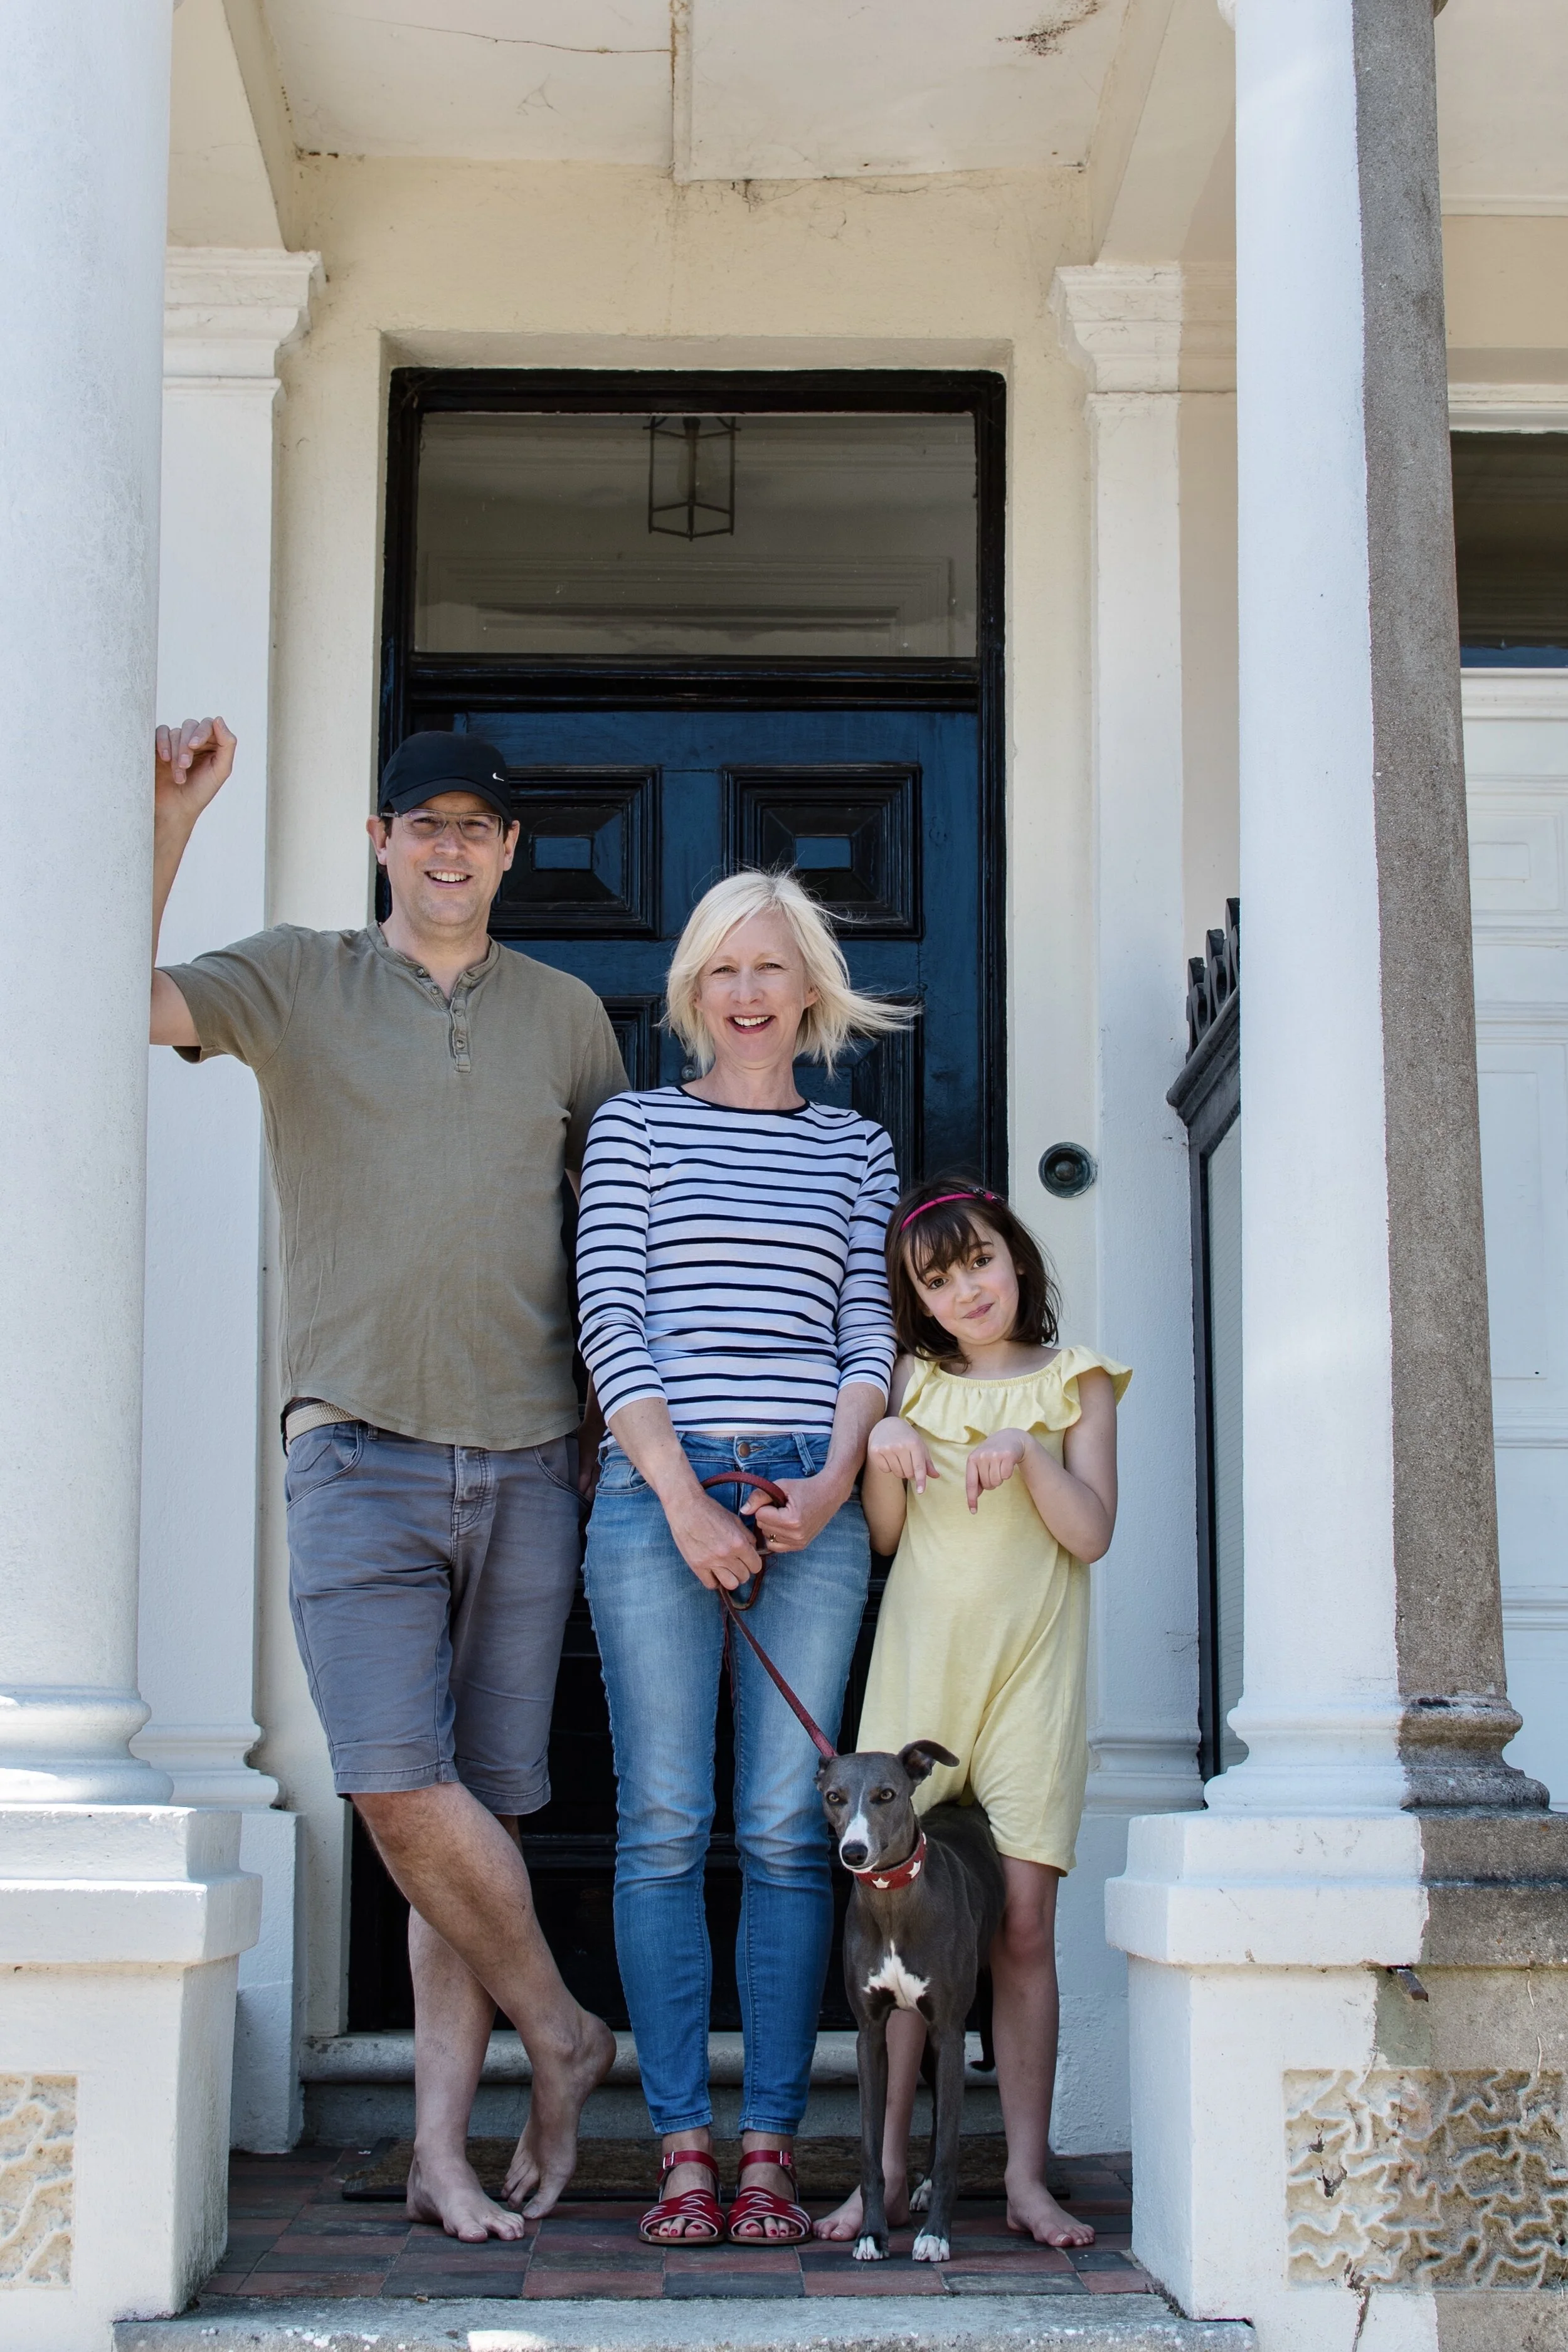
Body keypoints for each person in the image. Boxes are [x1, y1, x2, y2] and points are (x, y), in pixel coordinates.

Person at [149, 718, 627, 2241]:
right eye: (422, 822)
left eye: (476, 827)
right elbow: (111, 996)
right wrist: (169, 819)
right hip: (355, 1445)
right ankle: (562, 2030)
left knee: (475, 1815)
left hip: (532, 1454)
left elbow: (604, 1234)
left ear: (506, 851)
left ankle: (440, 2153)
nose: (448, 847)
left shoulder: (566, 1019)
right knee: (396, 1784)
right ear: (381, 841)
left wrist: (619, 1437)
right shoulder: (294, 978)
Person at [574, 869, 906, 2246]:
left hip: (806, 1502)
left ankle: (768, 2145)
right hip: (658, 1489)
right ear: (690, 992)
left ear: (812, 990)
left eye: (772, 968)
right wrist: (682, 1499)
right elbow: (611, 1319)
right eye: (723, 969)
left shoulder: (856, 1152)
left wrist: (833, 1482)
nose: (749, 992)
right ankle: (680, 2150)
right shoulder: (633, 1129)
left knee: (783, 1832)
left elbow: (865, 1333)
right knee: (660, 1826)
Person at [815, 1179, 1130, 2250]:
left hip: (1030, 1681)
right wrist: (886, 1448)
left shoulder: (1077, 1383)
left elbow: (1090, 1536)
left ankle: (1027, 2177)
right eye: (939, 1280)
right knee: (899, 1924)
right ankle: (888, 2171)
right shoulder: (914, 1381)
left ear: (1018, 1259)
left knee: (1021, 1925)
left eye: (981, 1261)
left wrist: (1031, 1453)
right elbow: (891, 1534)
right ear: (920, 1299)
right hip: (921, 1679)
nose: (967, 1288)